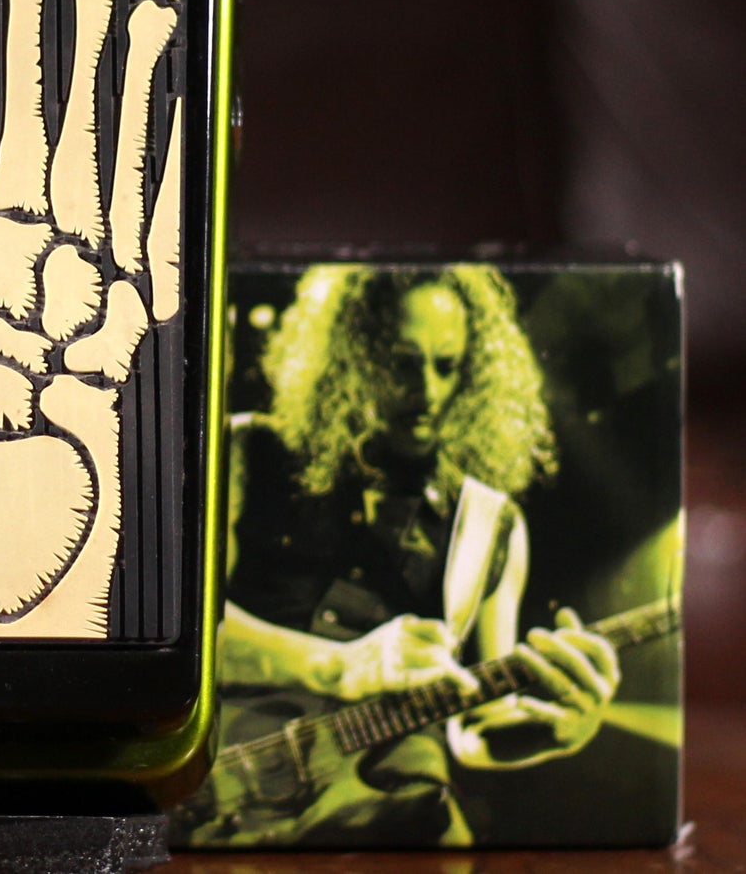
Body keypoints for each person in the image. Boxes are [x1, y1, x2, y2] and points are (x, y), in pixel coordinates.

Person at [204, 265, 620, 848]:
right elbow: (186, 638)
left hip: (377, 813)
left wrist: (557, 733)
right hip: (220, 791)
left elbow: (475, 726)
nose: (426, 391)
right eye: (402, 364)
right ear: (352, 358)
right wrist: (338, 665)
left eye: (447, 365)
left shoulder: (492, 525)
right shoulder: (250, 451)